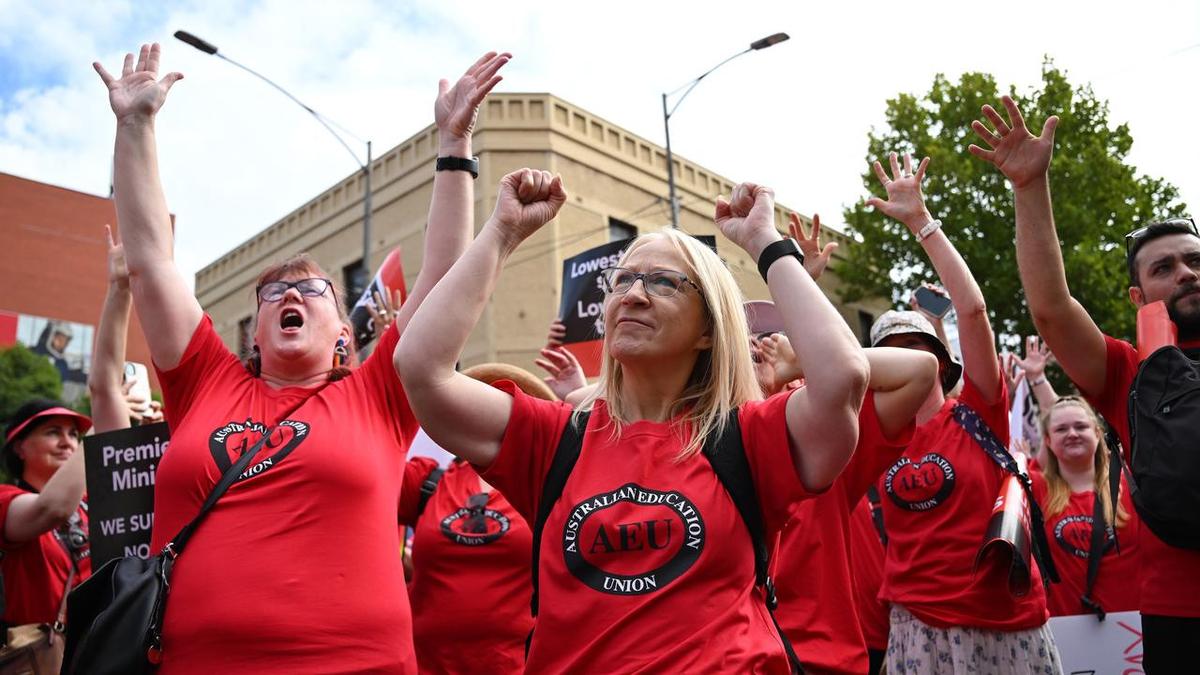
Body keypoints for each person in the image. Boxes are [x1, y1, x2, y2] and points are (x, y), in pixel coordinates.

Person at [93, 43, 508, 672]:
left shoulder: (381, 392)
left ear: (344, 333)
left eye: (313, 290)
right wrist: (134, 125)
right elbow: (151, 263)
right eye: (273, 294)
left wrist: (454, 147)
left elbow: (445, 276)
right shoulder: (203, 380)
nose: (291, 295)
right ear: (255, 336)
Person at [396, 170, 870, 672]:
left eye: (664, 282)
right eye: (623, 279)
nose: (634, 295)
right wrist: (502, 232)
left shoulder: (750, 440)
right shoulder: (553, 440)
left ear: (708, 331)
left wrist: (764, 243)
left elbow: (843, 375)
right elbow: (420, 368)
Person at [969, 94, 1199, 672]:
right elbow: (1051, 309)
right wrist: (1029, 187)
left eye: (1195, 261)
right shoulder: (1131, 373)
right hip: (1181, 615)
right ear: (1138, 296)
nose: (1187, 273)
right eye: (1164, 268)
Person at [867, 152, 1061, 674]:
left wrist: (921, 222)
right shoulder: (871, 435)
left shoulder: (977, 412)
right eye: (892, 352)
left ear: (941, 361)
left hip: (1006, 623)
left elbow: (972, 311)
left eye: (917, 348)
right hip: (916, 627)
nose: (906, 359)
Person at [760, 328, 937, 675]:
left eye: (778, 348)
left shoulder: (829, 450)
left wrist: (806, 363)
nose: (767, 353)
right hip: (738, 656)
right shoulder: (708, 442)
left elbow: (920, 369)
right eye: (754, 352)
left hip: (818, 659)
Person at [399, 363, 547, 674]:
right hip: (425, 667)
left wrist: (573, 398)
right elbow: (364, 465)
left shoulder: (546, 486)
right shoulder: (429, 481)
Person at [0, 399, 93, 673]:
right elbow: (51, 509)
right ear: (19, 448)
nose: (67, 443)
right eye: (53, 432)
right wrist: (103, 428)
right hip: (39, 659)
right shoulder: (5, 499)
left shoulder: (91, 502)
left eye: (73, 434)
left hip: (97, 651)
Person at [1032, 396, 1140, 617]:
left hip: (1129, 626)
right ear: (1048, 441)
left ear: (1098, 434)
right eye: (1061, 429)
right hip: (1064, 628)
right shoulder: (1035, 489)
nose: (1072, 434)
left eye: (1081, 426)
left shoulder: (1131, 485)